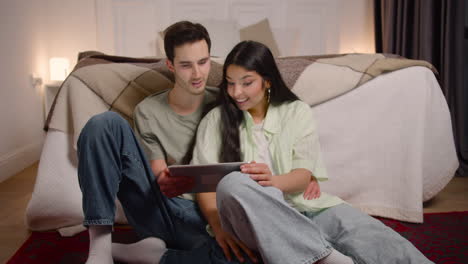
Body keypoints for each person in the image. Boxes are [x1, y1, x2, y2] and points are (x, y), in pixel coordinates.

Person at [188, 40, 435, 264]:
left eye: (246, 83)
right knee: (234, 183)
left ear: (268, 80)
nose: (236, 92)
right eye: (230, 83)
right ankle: (325, 258)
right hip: (254, 219)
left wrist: (271, 181)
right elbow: (203, 185)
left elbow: (303, 176)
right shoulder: (216, 119)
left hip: (306, 206)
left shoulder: (296, 111)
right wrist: (218, 226)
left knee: (375, 236)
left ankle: (317, 253)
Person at [77, 21, 259, 264]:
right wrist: (165, 179)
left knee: (247, 256)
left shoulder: (228, 103)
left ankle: (153, 256)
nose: (197, 74)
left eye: (203, 62)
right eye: (186, 65)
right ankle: (100, 250)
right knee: (103, 123)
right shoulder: (148, 111)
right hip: (161, 208)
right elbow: (157, 171)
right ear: (170, 65)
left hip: (210, 217)